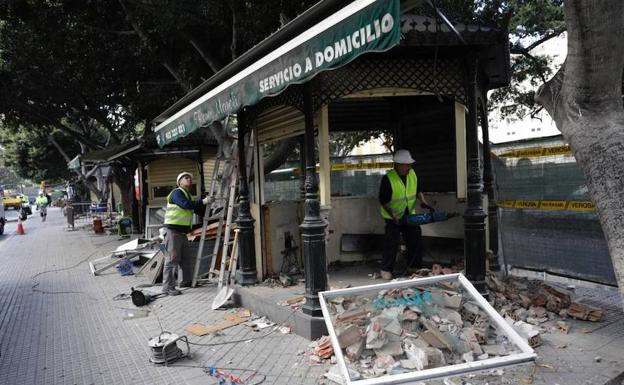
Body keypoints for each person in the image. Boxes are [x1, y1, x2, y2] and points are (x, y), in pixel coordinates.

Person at [379, 149, 433, 280]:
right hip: (393, 217)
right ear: (398, 165)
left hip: (409, 214)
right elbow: (384, 201)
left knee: (415, 238)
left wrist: (423, 201)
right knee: (392, 241)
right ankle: (386, 270)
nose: (409, 167)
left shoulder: (412, 174)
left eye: (410, 165)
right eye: (407, 165)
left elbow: (418, 190)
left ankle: (414, 267)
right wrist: (394, 216)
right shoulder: (388, 179)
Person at [161, 172, 208, 296]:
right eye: (186, 178)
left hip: (182, 233)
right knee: (172, 260)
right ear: (179, 182)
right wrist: (203, 201)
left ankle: (185, 282)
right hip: (172, 231)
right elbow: (185, 205)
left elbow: (198, 209)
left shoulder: (189, 196)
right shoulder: (177, 193)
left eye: (190, 178)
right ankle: (167, 288)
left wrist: (210, 207)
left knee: (186, 259)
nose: (189, 180)